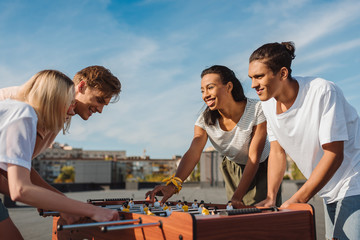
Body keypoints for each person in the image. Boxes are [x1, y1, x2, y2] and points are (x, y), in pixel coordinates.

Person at [248, 41, 360, 240]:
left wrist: (299, 198)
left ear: (282, 73)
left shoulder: (322, 91)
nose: (253, 84)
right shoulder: (267, 105)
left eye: (259, 76)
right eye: (251, 77)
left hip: (354, 181)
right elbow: (276, 151)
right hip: (327, 188)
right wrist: (271, 196)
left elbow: (334, 154)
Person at [0, 70, 119, 240]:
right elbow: (19, 187)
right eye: (99, 100)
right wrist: (86, 209)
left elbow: (14, 171)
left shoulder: (37, 110)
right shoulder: (24, 112)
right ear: (81, 86)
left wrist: (55, 201)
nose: (71, 112)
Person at [146, 65, 281, 208]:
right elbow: (193, 152)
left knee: (262, 215)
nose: (205, 95)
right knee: (236, 214)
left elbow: (254, 157)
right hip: (232, 167)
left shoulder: (257, 109)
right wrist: (173, 185)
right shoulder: (204, 121)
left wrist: (237, 196)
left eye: (210, 88)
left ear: (229, 87)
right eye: (202, 91)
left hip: (261, 166)